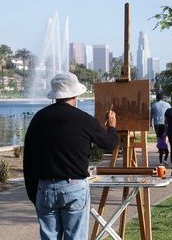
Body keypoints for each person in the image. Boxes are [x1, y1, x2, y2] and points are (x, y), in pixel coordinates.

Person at [23, 72, 118, 240]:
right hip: (74, 187)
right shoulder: (84, 119)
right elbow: (109, 144)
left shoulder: (39, 118)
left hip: (45, 188)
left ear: (55, 96)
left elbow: (28, 160)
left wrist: (34, 193)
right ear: (75, 95)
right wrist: (111, 127)